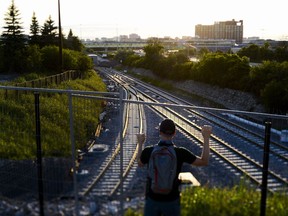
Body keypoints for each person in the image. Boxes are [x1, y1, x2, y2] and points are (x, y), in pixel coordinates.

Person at [136, 118, 212, 216]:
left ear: (160, 132)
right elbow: (204, 161)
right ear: (174, 133)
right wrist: (206, 137)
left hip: (153, 199)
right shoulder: (180, 152)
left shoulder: (148, 151)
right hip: (171, 199)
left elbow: (139, 163)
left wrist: (140, 143)